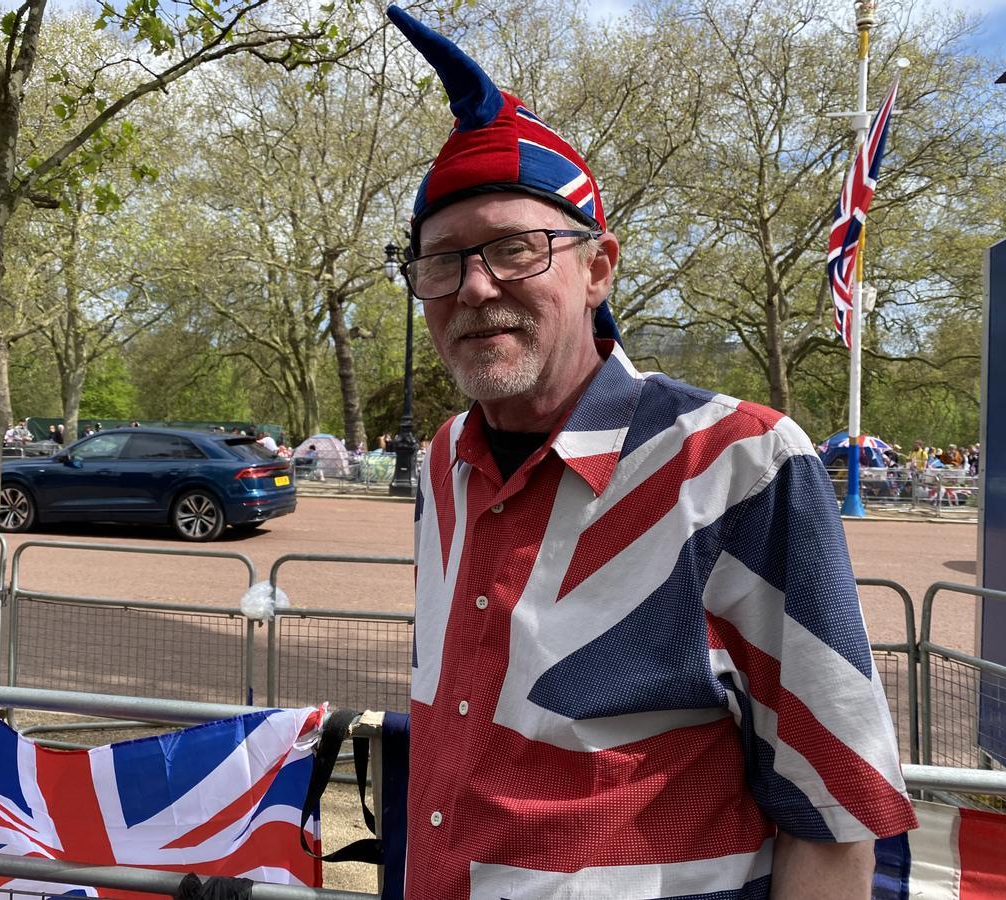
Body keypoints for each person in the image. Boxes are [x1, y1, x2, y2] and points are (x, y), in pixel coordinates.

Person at [387, 8, 915, 899]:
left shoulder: (737, 461)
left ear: (598, 269)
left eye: (516, 248)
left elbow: (834, 813)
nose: (475, 287)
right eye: (442, 261)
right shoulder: (444, 462)